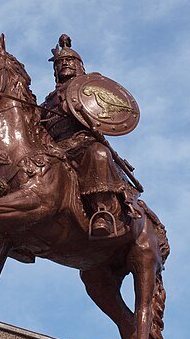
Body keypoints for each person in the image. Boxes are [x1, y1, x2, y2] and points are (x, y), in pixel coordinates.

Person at [40, 34, 127, 238]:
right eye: (60, 63)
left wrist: (80, 110)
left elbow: (100, 114)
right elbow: (28, 121)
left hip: (81, 142)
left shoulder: (87, 88)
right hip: (53, 148)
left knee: (99, 153)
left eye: (69, 61)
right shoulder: (48, 101)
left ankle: (102, 211)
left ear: (79, 65)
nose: (64, 65)